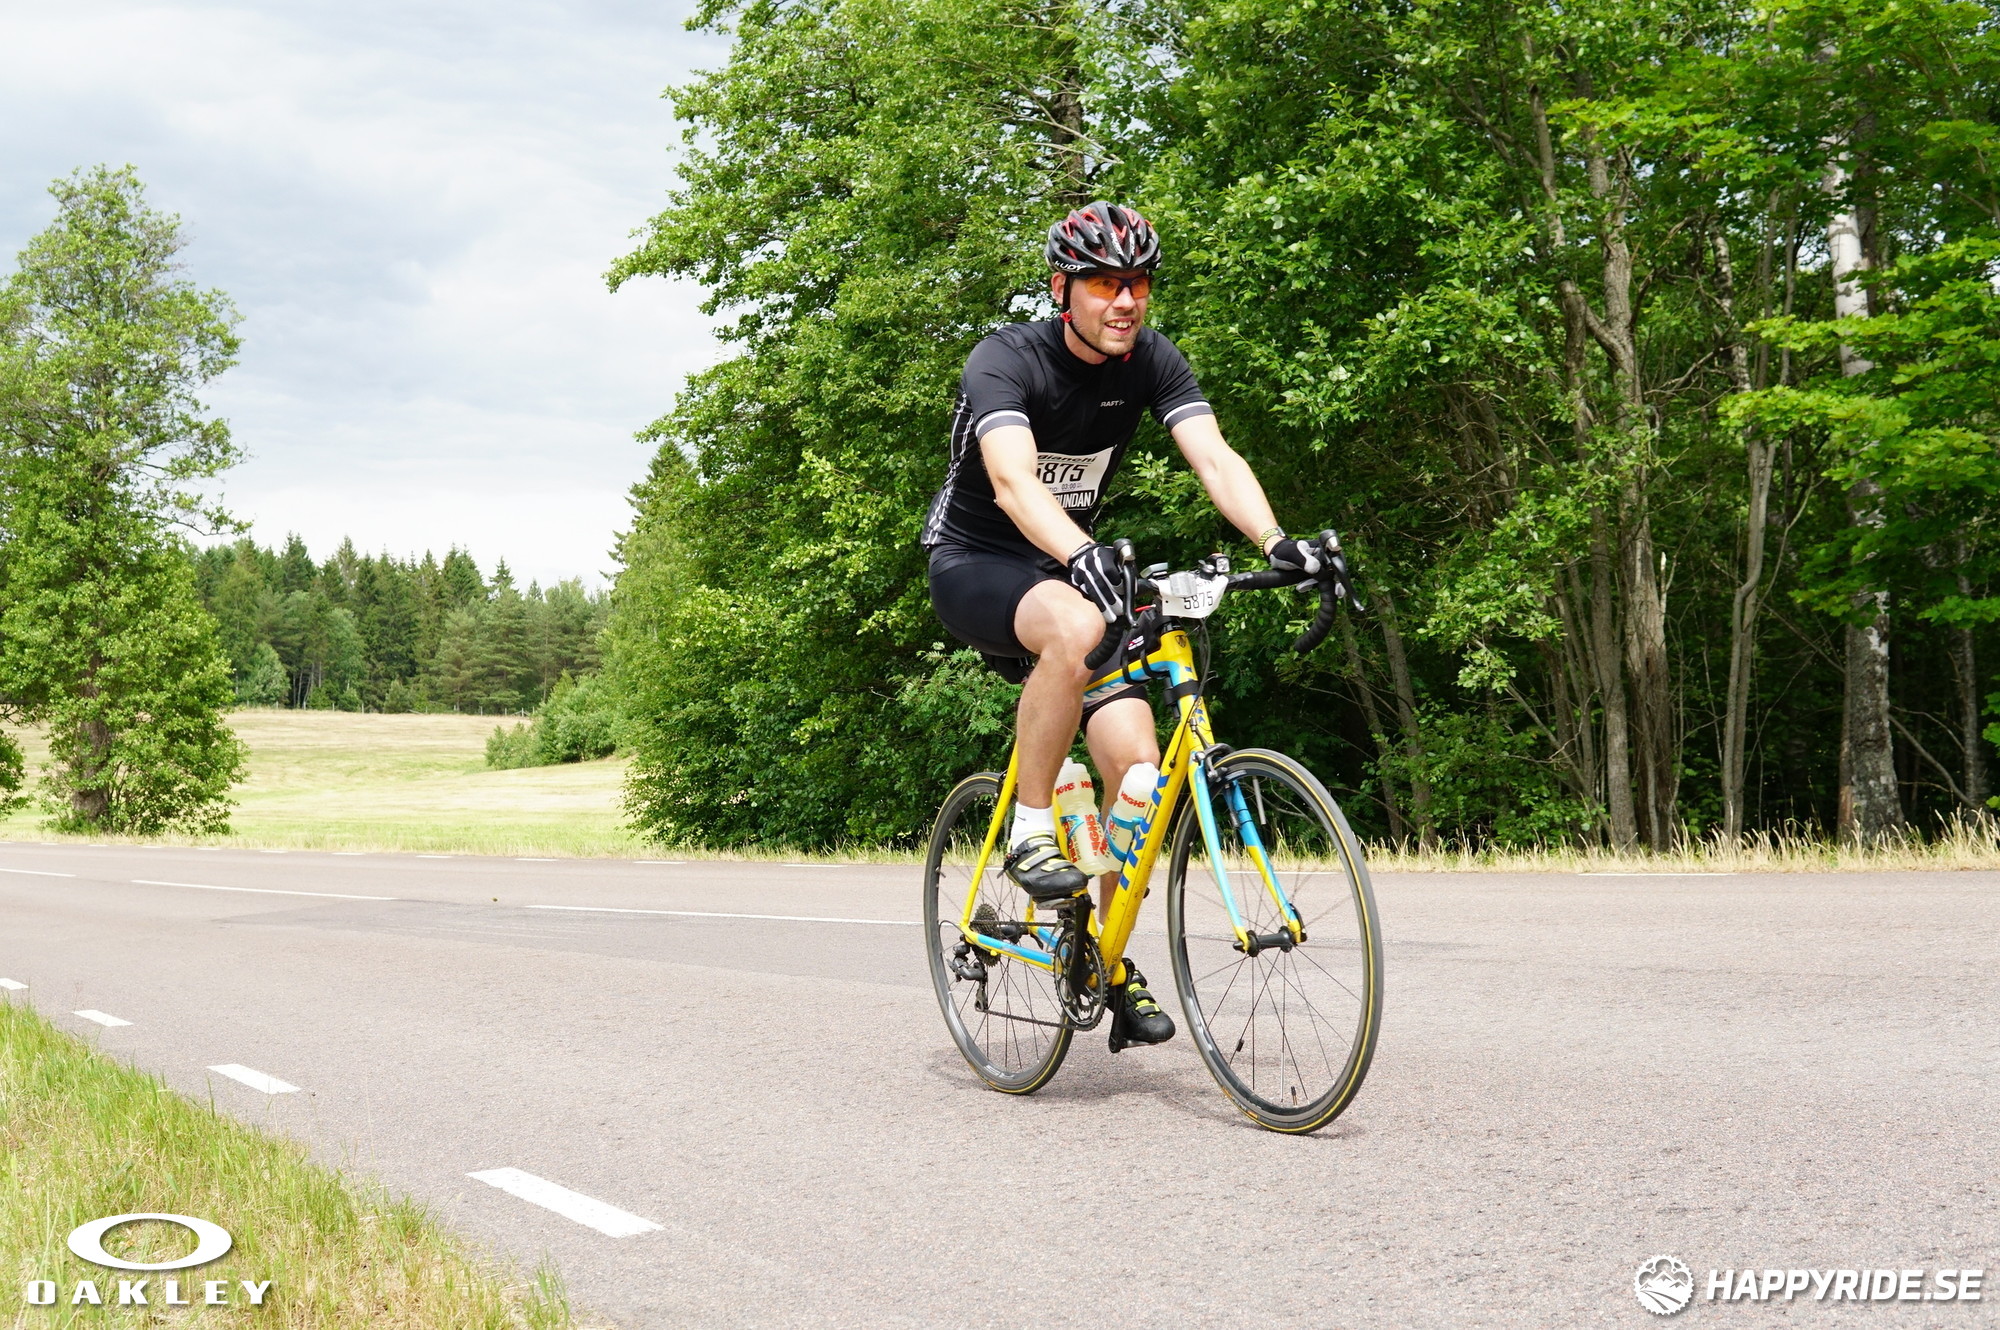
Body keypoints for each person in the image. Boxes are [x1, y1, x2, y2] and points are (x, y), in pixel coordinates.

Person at [921, 201, 1332, 1047]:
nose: (1125, 300)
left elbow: (1214, 456)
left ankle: (1100, 960)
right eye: (1105, 283)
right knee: (1075, 627)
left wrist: (1276, 540)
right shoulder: (1006, 360)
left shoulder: (1151, 360)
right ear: (1061, 289)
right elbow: (1014, 483)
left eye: (1138, 283)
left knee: (1139, 773)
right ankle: (1030, 830)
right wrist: (1081, 553)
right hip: (977, 561)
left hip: (1071, 570)